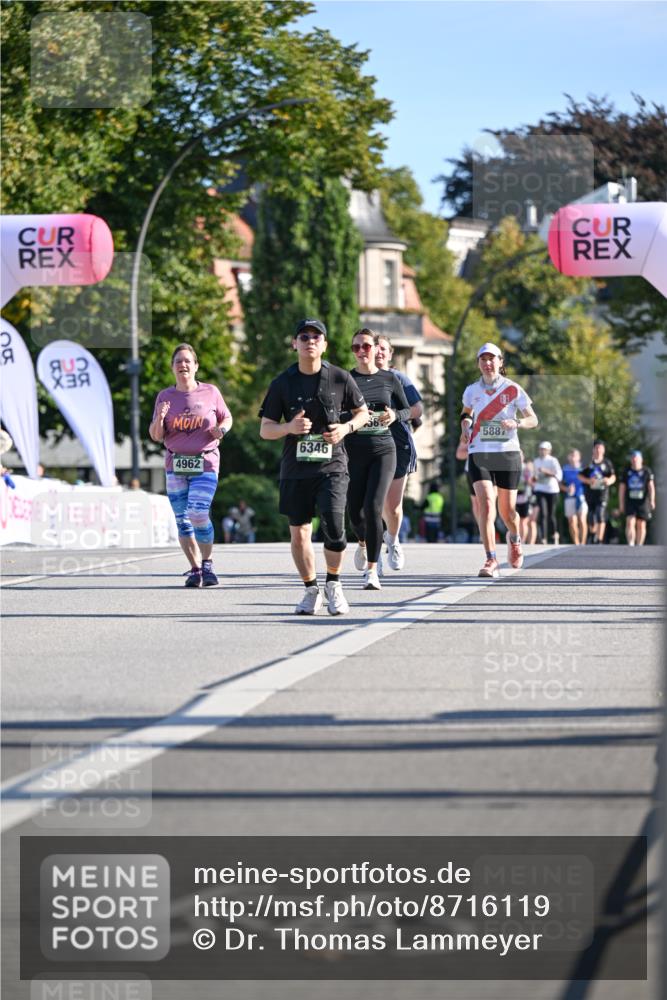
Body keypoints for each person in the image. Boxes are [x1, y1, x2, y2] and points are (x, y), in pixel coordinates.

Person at [259, 318, 368, 615]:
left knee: (334, 526)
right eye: (304, 336)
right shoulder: (283, 382)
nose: (310, 341)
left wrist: (345, 429)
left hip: (332, 464)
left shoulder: (340, 378)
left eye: (316, 337)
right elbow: (265, 429)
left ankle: (334, 584)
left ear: (325, 345)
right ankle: (310, 589)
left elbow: (363, 414)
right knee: (300, 532)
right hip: (296, 468)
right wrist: (289, 427)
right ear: (295, 343)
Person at [149, 343, 232, 587]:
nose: (183, 365)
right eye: (178, 362)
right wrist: (161, 418)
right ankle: (195, 569)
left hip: (205, 461)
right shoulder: (165, 397)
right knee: (182, 520)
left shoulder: (210, 392)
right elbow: (156, 435)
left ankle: (207, 563)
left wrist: (222, 430)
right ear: (172, 368)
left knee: (197, 513)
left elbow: (226, 417)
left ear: (196, 366)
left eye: (187, 361)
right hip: (175, 463)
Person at [461, 342, 538, 578]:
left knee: (508, 512)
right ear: (478, 363)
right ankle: (490, 559)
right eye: (483, 359)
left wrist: (518, 423)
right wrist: (465, 423)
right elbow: (466, 413)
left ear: (500, 362)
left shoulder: (513, 389)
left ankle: (514, 539)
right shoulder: (472, 390)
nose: (487, 363)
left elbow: (533, 419)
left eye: (491, 358)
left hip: (507, 453)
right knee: (485, 504)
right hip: (479, 452)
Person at [345, 328, 412, 590]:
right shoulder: (345, 380)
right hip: (353, 452)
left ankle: (372, 571)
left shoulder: (389, 379)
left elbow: (407, 410)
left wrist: (395, 415)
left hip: (384, 450)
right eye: (356, 347)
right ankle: (362, 542)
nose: (361, 352)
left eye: (366, 346)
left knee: (374, 507)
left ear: (375, 348)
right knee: (355, 513)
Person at [374, 335, 423, 571]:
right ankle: (374, 555)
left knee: (392, 506)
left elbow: (417, 409)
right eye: (374, 348)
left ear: (390, 353)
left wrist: (396, 414)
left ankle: (392, 540)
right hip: (369, 446)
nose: (378, 352)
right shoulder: (357, 379)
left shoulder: (399, 378)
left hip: (398, 445)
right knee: (372, 503)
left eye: (383, 348)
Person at [579, 440, 616, 544]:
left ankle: (599, 540)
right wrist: (588, 481)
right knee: (591, 516)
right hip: (590, 494)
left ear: (603, 450)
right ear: (593, 449)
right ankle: (593, 534)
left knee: (600, 514)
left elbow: (613, 476)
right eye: (597, 448)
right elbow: (580, 475)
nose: (599, 450)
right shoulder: (588, 462)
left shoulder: (607, 463)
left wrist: (609, 481)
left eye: (601, 448)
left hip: (602, 494)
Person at [617, 450, 655, 546]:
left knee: (641, 524)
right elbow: (622, 488)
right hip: (630, 501)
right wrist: (621, 503)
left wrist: (652, 500)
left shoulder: (647, 471)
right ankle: (631, 544)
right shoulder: (626, 472)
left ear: (641, 460)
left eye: (637, 458)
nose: (634, 460)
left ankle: (639, 545)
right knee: (630, 521)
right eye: (633, 458)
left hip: (643, 501)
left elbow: (651, 487)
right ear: (631, 460)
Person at [532, 441, 563, 545]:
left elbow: (559, 475)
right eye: (541, 449)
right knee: (543, 514)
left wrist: (546, 471)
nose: (542, 451)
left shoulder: (553, 461)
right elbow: (534, 475)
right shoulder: (536, 461)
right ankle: (544, 538)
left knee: (551, 514)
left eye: (544, 449)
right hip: (540, 489)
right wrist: (535, 477)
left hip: (552, 490)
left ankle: (554, 534)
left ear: (549, 450)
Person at [561, 449, 588, 545]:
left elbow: (591, 481)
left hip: (581, 497)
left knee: (582, 519)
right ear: (569, 457)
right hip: (569, 497)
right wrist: (567, 489)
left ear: (579, 457)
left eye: (575, 455)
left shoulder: (584, 468)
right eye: (571, 455)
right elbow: (559, 484)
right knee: (572, 522)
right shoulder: (565, 469)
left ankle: (583, 543)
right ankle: (576, 543)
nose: (573, 457)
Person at [516, 453, 534, 543]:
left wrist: (529, 476)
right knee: (515, 521)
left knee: (523, 521)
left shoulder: (526, 468)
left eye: (520, 455)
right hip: (514, 496)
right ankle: (517, 540)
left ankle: (522, 541)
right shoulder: (510, 467)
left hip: (525, 496)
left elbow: (532, 482)